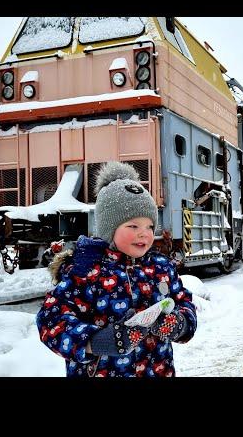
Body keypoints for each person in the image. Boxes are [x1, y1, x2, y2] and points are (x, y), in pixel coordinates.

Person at [36, 161, 197, 377]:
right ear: (108, 229)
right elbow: (50, 319)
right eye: (133, 226)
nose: (144, 233)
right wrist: (96, 342)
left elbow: (184, 301)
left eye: (150, 226)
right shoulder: (86, 270)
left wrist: (180, 324)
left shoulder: (161, 267)